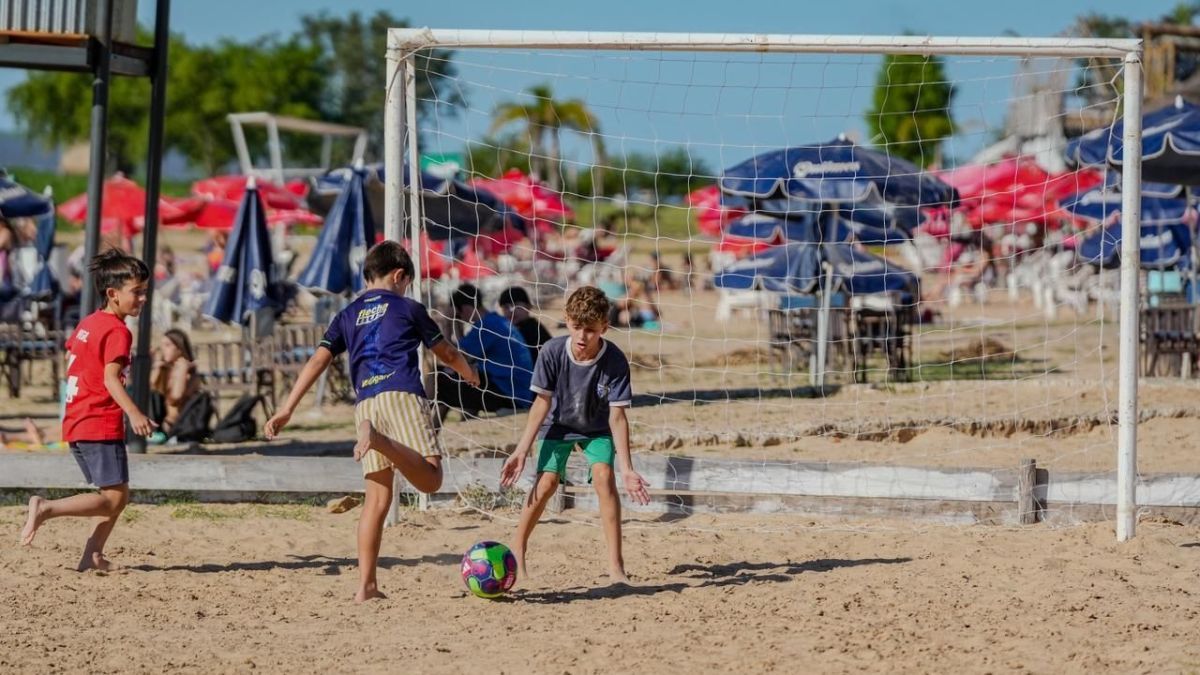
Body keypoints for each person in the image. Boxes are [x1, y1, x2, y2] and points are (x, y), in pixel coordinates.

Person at [264, 241, 479, 603]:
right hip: (401, 395)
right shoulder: (409, 307)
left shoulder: (346, 315)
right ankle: (379, 440)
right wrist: (468, 373)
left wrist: (287, 408)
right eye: (407, 282)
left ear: (367, 277)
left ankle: (366, 585)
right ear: (399, 276)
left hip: (365, 404)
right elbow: (446, 352)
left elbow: (318, 361)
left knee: (376, 501)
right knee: (431, 479)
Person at [500, 285, 651, 584]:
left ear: (604, 328)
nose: (582, 336)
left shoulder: (615, 361)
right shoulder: (552, 351)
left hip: (596, 429)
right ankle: (518, 546)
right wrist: (520, 450)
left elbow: (618, 417)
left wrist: (628, 468)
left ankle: (616, 565)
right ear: (567, 321)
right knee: (546, 484)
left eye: (591, 330)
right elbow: (541, 404)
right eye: (577, 327)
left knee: (604, 477)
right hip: (558, 426)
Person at [19, 249, 156, 571]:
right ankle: (46, 508)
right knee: (114, 499)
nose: (143, 299)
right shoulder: (118, 331)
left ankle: (93, 554)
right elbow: (110, 379)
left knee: (115, 495)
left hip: (78, 420)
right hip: (99, 420)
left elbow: (79, 363)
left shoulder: (90, 323)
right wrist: (135, 413)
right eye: (137, 292)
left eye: (145, 291)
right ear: (112, 294)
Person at [435, 283, 534, 421]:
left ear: (465, 309)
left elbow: (452, 357)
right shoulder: (495, 321)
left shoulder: (486, 327)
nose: (459, 319)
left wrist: (448, 324)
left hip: (510, 394)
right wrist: (457, 325)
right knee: (466, 375)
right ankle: (462, 422)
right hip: (516, 389)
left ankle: (429, 431)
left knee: (437, 381)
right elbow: (464, 354)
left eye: (458, 315)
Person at [147, 328, 203, 441]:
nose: (163, 349)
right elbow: (150, 392)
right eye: (162, 345)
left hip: (178, 427)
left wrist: (182, 371)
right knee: (149, 394)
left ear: (180, 348)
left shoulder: (189, 374)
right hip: (162, 424)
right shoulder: (167, 369)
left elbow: (175, 398)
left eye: (167, 345)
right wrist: (156, 369)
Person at [496, 285, 553, 364]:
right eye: (506, 307)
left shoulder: (534, 330)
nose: (512, 310)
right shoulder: (505, 330)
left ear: (528, 306)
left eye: (517, 306)